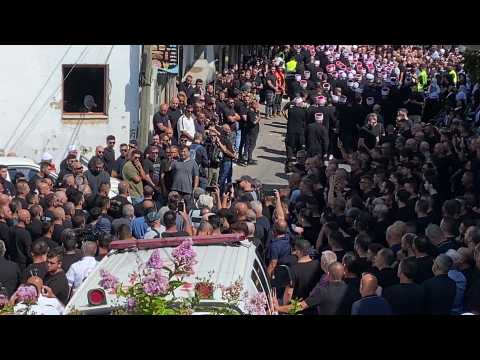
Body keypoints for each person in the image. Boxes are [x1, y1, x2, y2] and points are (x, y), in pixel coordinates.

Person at [282, 239, 322, 314]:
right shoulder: (317, 264)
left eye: (296, 250)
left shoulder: (293, 269)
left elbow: (288, 293)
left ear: (299, 252)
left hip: (296, 307)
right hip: (312, 306)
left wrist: (285, 308)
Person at [170, 145, 199, 210]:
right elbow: (169, 172)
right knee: (174, 207)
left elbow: (196, 176)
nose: (182, 153)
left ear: (189, 152)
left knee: (188, 208)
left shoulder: (193, 162)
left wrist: (195, 188)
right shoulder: (176, 162)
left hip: (187, 190)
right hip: (175, 189)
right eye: (181, 152)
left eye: (184, 151)